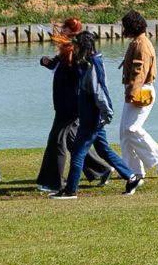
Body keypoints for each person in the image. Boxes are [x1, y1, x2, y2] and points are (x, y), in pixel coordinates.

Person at [50, 31, 142, 199]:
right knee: (103, 149)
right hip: (93, 116)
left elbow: (98, 92)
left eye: (76, 46)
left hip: (92, 117)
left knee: (77, 153)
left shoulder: (93, 64)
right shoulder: (88, 62)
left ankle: (70, 190)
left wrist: (106, 114)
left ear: (83, 47)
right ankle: (131, 177)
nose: (74, 48)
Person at [35, 18, 113, 193]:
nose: (61, 30)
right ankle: (100, 170)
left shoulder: (75, 51)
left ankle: (52, 181)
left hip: (70, 105)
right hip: (64, 102)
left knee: (56, 140)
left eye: (65, 28)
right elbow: (58, 66)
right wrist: (46, 62)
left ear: (72, 31)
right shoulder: (68, 49)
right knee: (72, 140)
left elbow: (80, 77)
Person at [119, 9, 158, 181]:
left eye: (125, 26)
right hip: (135, 91)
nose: (123, 29)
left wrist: (131, 92)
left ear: (131, 27)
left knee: (131, 129)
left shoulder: (141, 45)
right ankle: (132, 171)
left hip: (141, 92)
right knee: (124, 132)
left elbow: (139, 72)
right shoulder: (138, 42)